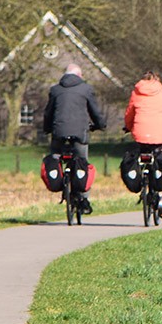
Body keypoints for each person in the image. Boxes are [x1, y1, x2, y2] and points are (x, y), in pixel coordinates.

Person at [42, 63, 105, 214]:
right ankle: (83, 198)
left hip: (59, 132)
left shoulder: (55, 90)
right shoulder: (86, 89)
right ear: (79, 75)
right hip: (79, 133)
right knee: (82, 161)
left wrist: (47, 129)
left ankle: (61, 182)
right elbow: (94, 111)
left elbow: (48, 113)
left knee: (55, 156)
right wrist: (100, 125)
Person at [124, 71, 162, 214]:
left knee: (142, 157)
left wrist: (128, 126)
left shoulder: (136, 94)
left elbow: (129, 114)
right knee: (160, 164)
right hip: (160, 137)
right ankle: (161, 196)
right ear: (157, 81)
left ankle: (142, 179)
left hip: (141, 135)